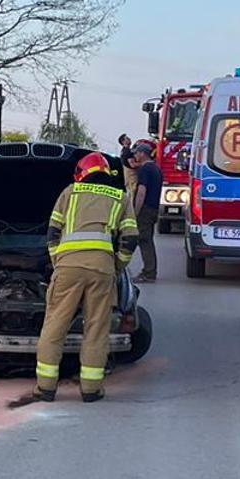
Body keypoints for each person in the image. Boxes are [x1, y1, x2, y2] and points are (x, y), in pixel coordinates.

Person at [35, 152, 137, 403]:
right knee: (96, 329)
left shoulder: (70, 193)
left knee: (54, 326)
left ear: (82, 173)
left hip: (68, 267)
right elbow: (131, 239)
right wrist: (116, 264)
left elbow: (52, 232)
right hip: (102, 270)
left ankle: (45, 388)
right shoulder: (120, 198)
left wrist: (58, 260)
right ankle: (91, 389)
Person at [127, 141, 163, 283]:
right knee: (148, 240)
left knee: (144, 240)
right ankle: (150, 271)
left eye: (136, 153)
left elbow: (141, 192)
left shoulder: (144, 170)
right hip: (153, 208)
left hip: (145, 209)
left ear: (142, 153)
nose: (135, 155)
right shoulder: (156, 169)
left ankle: (148, 273)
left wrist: (135, 212)